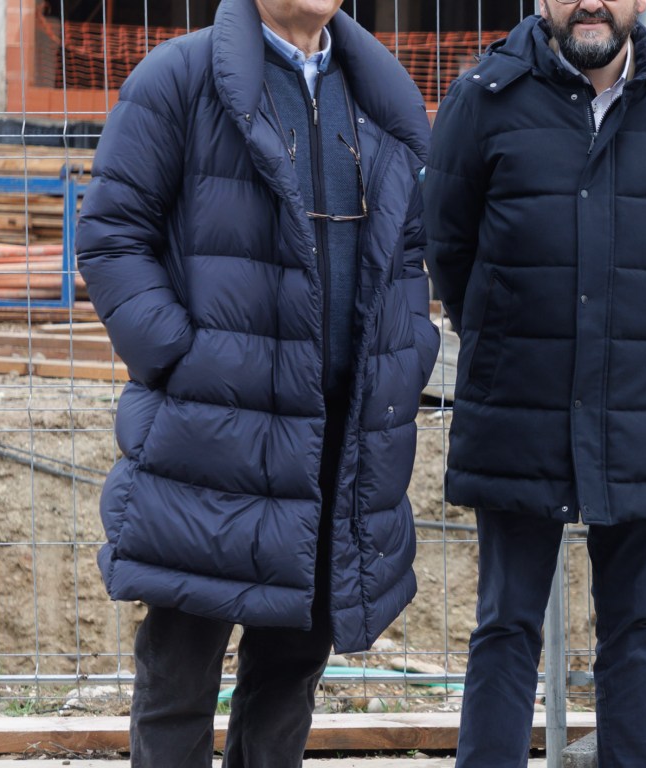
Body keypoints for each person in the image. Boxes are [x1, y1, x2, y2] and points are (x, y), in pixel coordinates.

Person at [75, 0, 436, 764]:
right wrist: (178, 356)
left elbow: (408, 249)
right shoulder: (180, 79)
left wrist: (405, 352)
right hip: (210, 432)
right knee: (180, 670)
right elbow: (112, 235)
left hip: (335, 439)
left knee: (292, 668)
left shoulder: (377, 95)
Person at [422, 0, 646, 764]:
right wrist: (510, 333)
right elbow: (448, 245)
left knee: (634, 628)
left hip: (641, 406)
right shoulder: (483, 98)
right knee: (505, 625)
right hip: (518, 402)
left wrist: (636, 335)